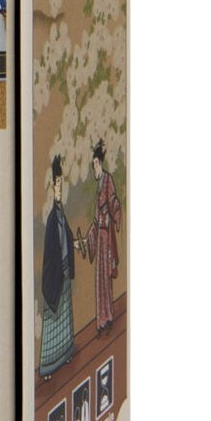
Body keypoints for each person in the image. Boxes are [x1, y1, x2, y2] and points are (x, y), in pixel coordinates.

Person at [38, 153, 75, 380]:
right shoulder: (53, 218)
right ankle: (48, 367)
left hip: (64, 270)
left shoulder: (61, 214)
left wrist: (74, 244)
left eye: (62, 184)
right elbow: (50, 253)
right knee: (53, 323)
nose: (60, 188)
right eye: (57, 184)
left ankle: (66, 353)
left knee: (65, 321)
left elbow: (67, 237)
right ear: (52, 187)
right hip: (55, 276)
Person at [90, 139, 122, 334]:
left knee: (106, 278)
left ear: (100, 163)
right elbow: (96, 218)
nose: (93, 167)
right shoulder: (98, 187)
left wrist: (116, 216)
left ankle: (108, 317)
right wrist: (88, 238)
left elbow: (113, 201)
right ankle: (101, 320)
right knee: (100, 279)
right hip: (99, 238)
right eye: (92, 164)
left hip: (106, 236)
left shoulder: (107, 180)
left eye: (95, 163)